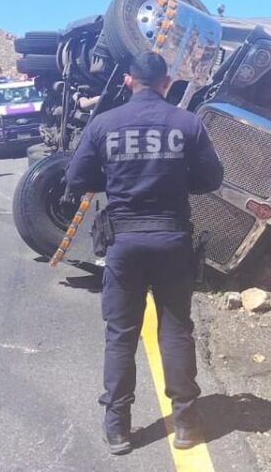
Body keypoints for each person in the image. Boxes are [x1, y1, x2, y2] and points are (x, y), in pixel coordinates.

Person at [65, 51, 224, 456]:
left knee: (121, 334)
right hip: (172, 240)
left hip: (124, 243)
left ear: (128, 81)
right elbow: (212, 177)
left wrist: (114, 179)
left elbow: (76, 177)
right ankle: (185, 422)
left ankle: (118, 427)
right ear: (166, 83)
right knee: (175, 330)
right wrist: (177, 182)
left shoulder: (104, 124)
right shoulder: (186, 123)